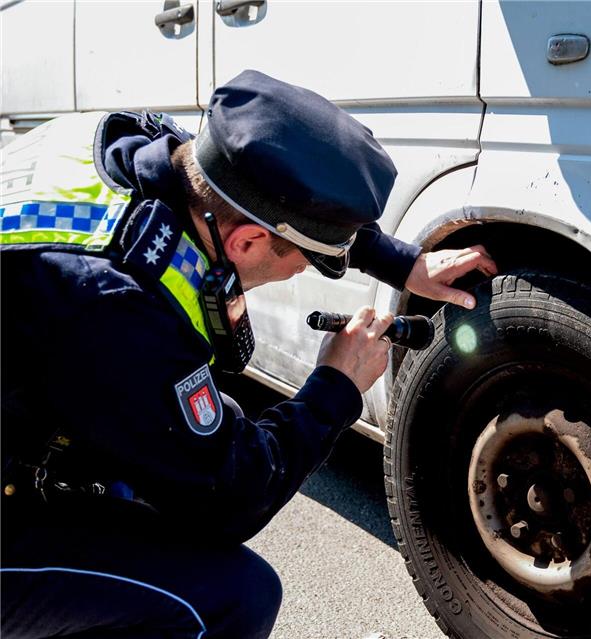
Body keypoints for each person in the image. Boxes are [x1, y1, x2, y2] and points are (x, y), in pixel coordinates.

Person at [0, 70, 497, 638]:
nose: (305, 270)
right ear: (248, 242)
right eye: (310, 260)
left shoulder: (135, 148)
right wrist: (335, 386)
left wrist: (404, 263)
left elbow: (272, 199)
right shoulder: (114, 303)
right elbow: (230, 497)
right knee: (231, 597)